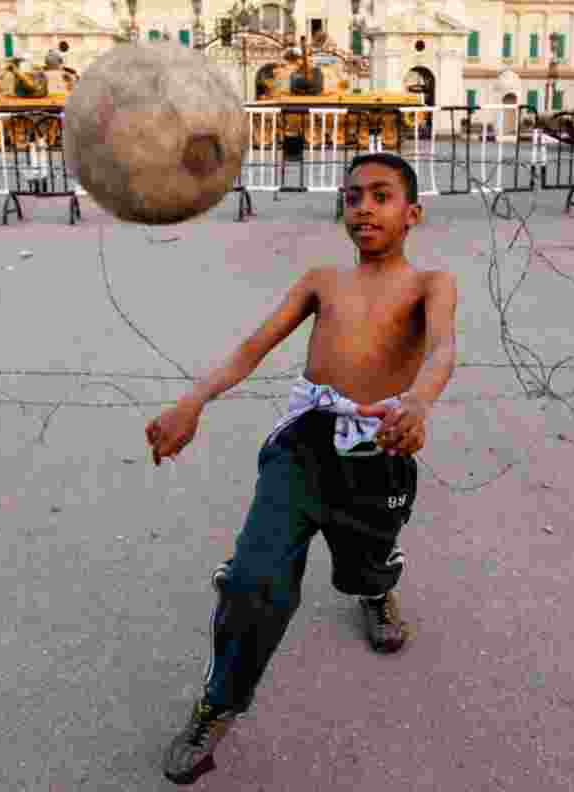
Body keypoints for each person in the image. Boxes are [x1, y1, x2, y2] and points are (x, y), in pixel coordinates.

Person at [146, 152, 458, 785]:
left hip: (381, 450)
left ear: (413, 213)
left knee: (365, 559)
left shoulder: (431, 284)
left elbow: (443, 347)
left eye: (381, 195)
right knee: (254, 583)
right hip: (305, 446)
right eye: (352, 197)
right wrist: (193, 401)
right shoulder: (322, 280)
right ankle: (219, 704)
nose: (363, 207)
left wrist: (419, 402)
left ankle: (374, 589)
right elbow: (252, 346)